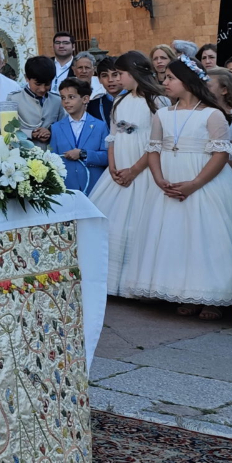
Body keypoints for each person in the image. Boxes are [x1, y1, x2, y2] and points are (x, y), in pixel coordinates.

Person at [121, 57, 232, 318]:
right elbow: (153, 149)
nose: (164, 83)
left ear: (187, 82)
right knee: (177, 238)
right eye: (164, 78)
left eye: (170, 78)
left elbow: (220, 155)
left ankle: (213, 298)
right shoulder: (163, 114)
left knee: (206, 238)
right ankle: (184, 291)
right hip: (169, 182)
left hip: (204, 182)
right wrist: (158, 178)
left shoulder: (213, 114)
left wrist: (195, 184)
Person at [92, 51, 168, 294]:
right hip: (119, 170)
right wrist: (113, 166)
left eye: (120, 73)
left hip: (143, 169)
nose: (117, 78)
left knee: (138, 224)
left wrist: (134, 170)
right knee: (111, 223)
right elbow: (112, 137)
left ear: (134, 72)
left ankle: (137, 283)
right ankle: (111, 282)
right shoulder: (120, 102)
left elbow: (158, 141)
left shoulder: (157, 101)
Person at [52, 78, 109, 193]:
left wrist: (83, 153)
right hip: (66, 186)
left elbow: (107, 157)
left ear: (85, 99)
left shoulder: (100, 126)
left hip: (94, 186)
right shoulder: (56, 128)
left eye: (71, 97)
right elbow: (53, 159)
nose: (66, 101)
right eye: (63, 98)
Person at [0, 56, 62, 144]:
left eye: (47, 84)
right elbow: (5, 129)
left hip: (52, 153)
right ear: (27, 78)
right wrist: (30, 134)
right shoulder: (13, 99)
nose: (42, 89)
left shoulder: (57, 100)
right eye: (38, 84)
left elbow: (65, 127)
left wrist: (51, 132)